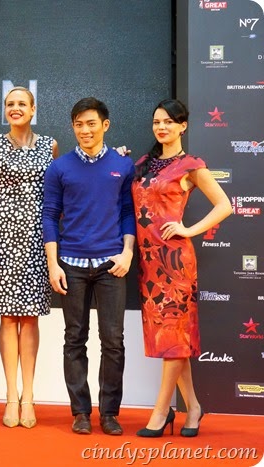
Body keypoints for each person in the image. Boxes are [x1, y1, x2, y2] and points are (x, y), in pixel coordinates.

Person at [132, 99, 231, 437]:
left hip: (175, 263)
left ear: (183, 126)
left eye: (169, 122)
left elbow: (224, 205)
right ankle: (195, 408)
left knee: (173, 338)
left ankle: (161, 412)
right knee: (175, 341)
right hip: (148, 263)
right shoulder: (143, 164)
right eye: (157, 122)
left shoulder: (190, 165)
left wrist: (189, 230)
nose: (162, 127)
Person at [43, 97, 135, 435]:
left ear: (105, 125)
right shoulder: (60, 168)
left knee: (113, 341)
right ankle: (80, 412)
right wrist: (53, 264)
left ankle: (109, 413)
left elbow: (128, 212)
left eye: (91, 123)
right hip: (71, 264)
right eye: (79, 124)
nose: (85, 130)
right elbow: (49, 216)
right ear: (73, 127)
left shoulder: (123, 165)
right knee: (74, 339)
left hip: (112, 265)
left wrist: (127, 253)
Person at [0, 86, 57, 428]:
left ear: (33, 108)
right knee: (8, 318)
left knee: (31, 318)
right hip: (3, 237)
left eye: (21, 103)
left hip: (38, 240)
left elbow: (54, 197)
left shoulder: (49, 145)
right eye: (10, 104)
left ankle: (29, 396)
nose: (15, 108)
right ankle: (11, 396)